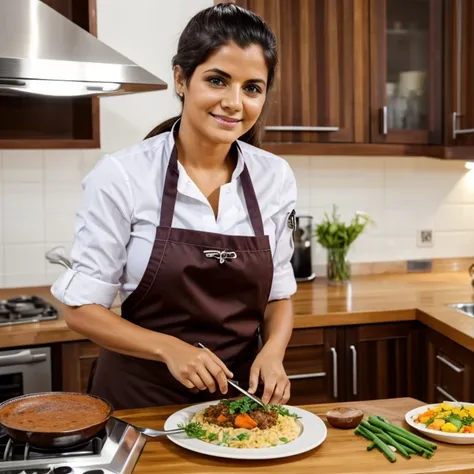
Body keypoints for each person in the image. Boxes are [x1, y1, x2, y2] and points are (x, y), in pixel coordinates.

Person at [51, 3, 297, 410]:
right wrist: (169, 349)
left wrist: (272, 352)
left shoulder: (275, 177)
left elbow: (278, 293)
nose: (235, 103)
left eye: (252, 87)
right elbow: (80, 309)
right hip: (139, 402)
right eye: (218, 80)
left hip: (238, 404)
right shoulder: (124, 174)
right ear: (181, 79)